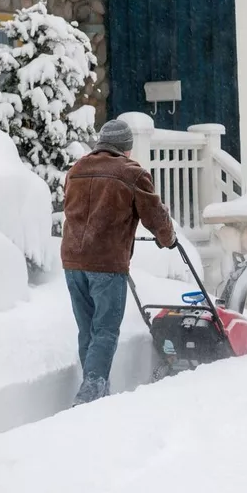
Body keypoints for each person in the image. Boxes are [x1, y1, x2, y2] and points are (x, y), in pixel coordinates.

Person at [60, 119, 176, 406]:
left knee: (88, 329)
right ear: (126, 148)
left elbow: (71, 209)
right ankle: (91, 393)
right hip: (106, 263)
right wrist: (168, 237)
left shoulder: (77, 170)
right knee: (106, 330)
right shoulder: (131, 173)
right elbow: (155, 215)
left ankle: (97, 390)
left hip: (72, 261)